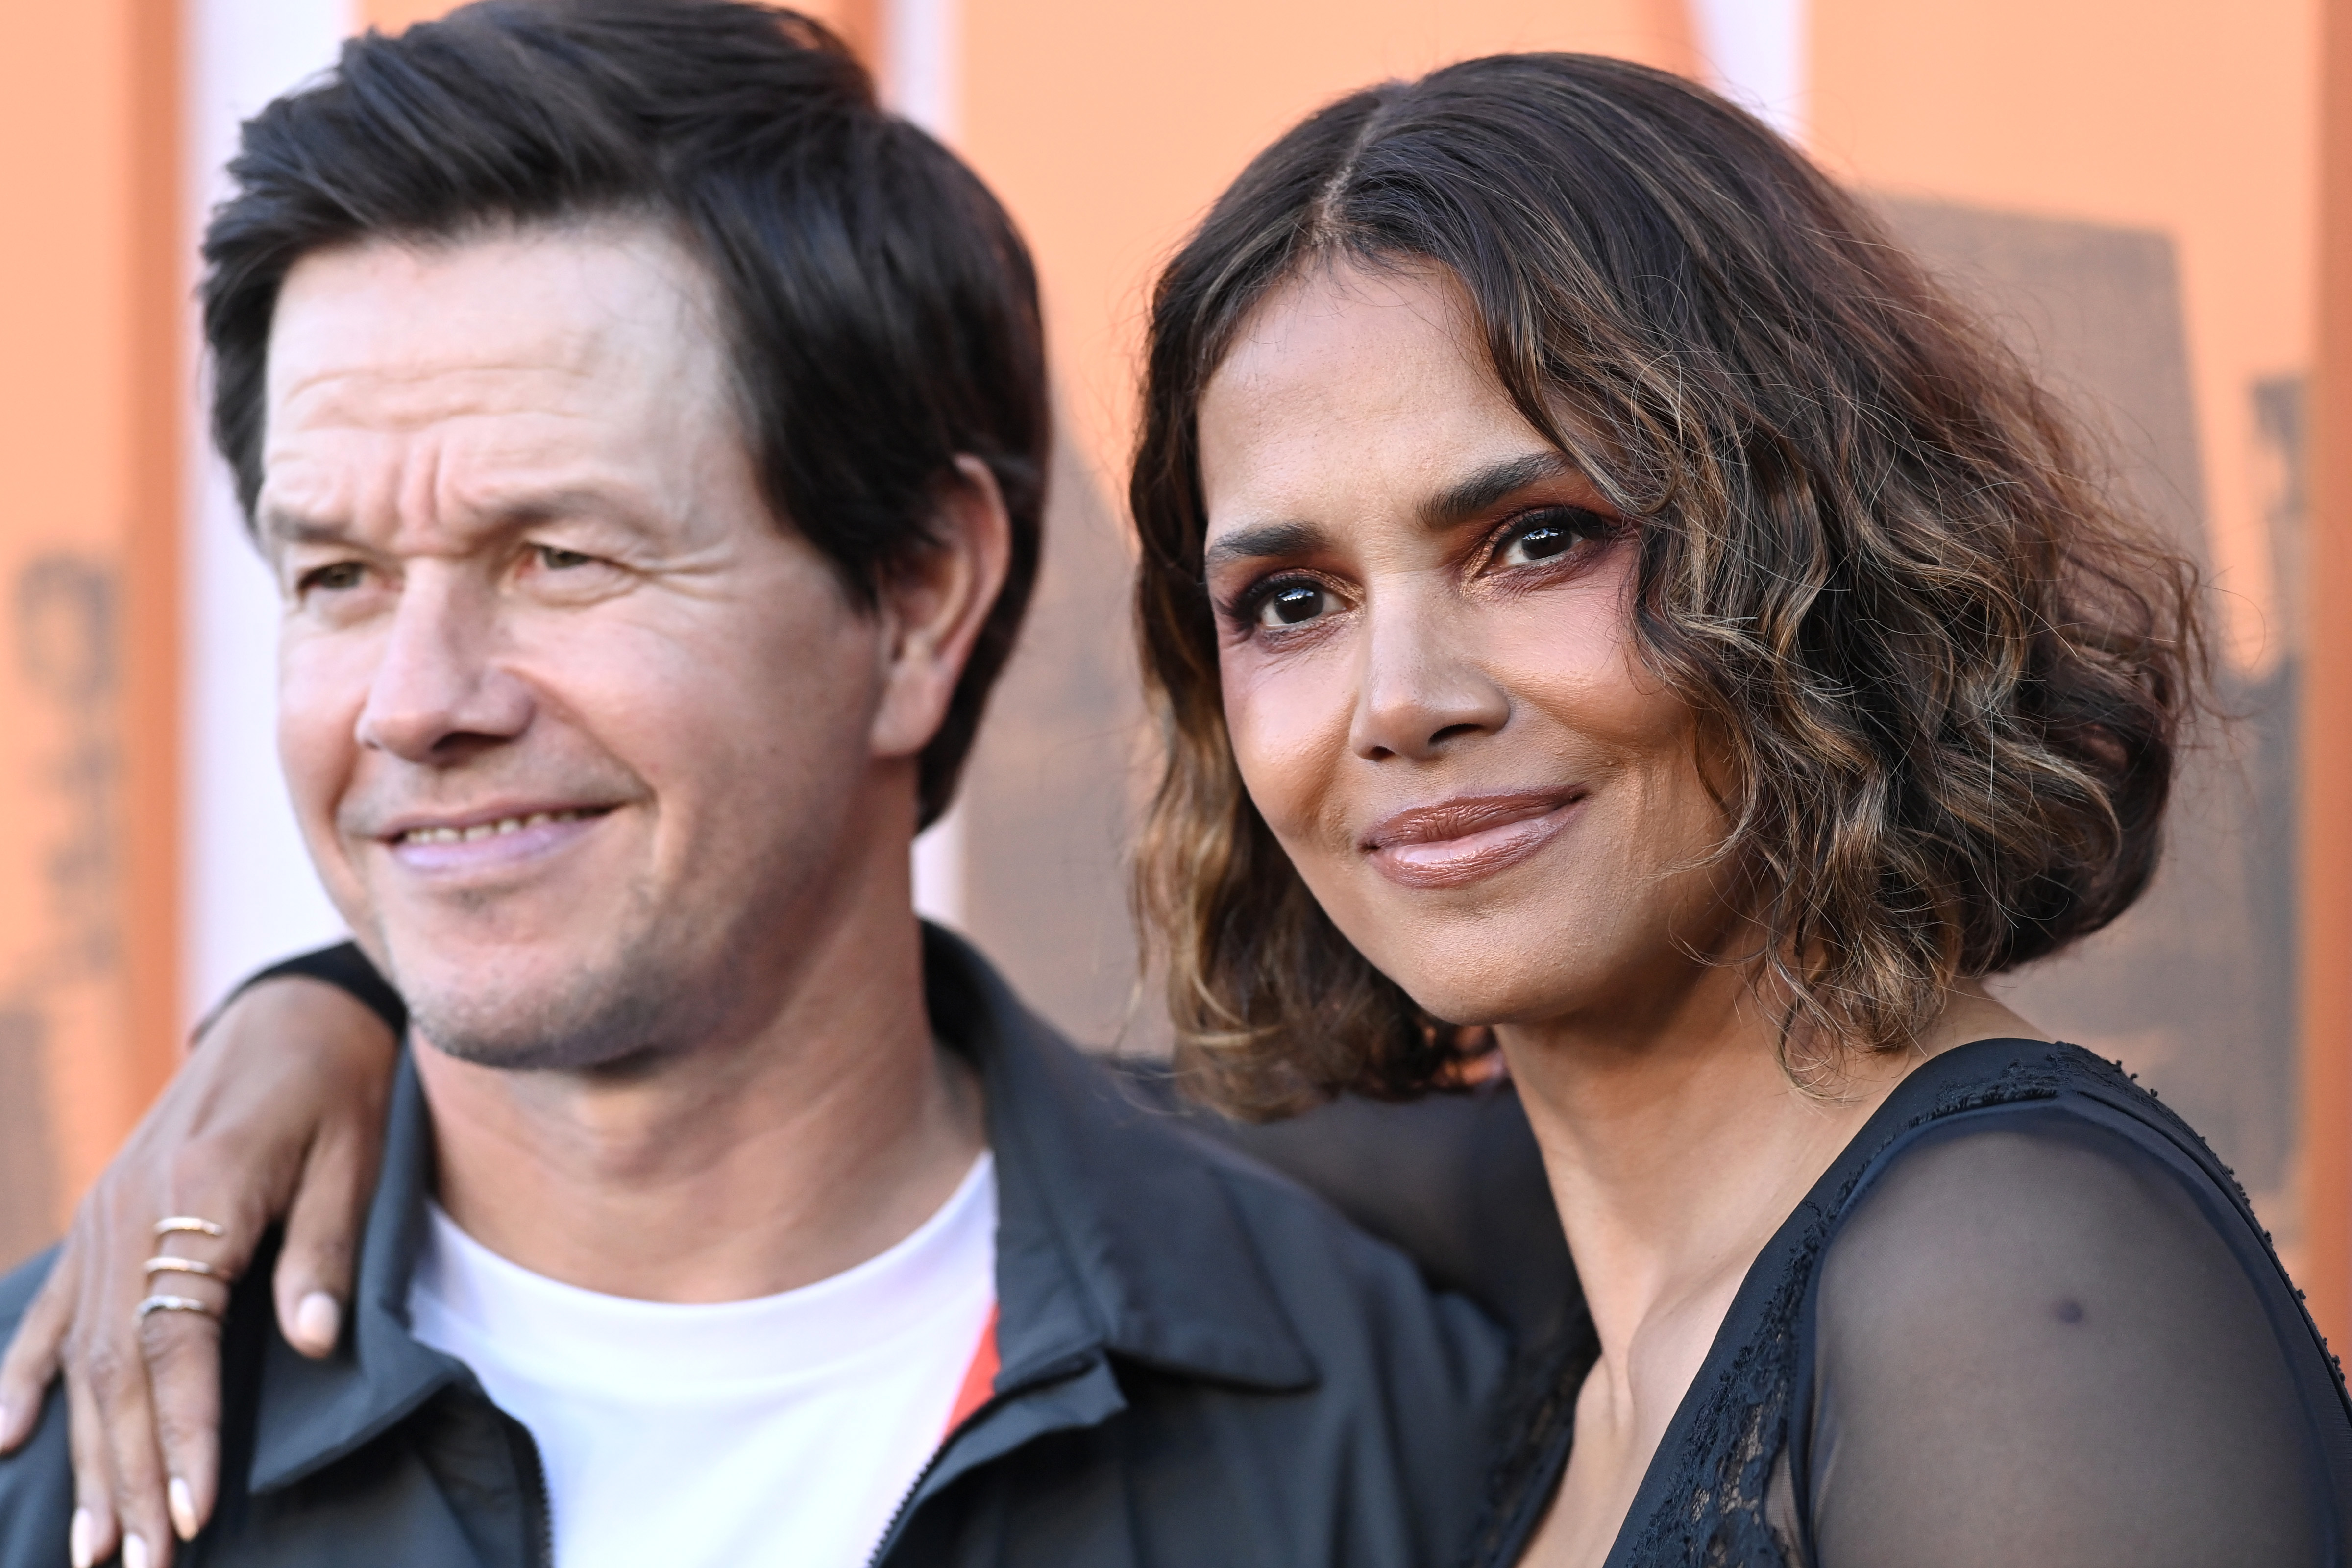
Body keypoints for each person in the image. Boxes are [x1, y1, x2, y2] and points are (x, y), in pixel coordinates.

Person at [18, 39, 2352, 1568]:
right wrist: (323, 1016)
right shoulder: (1504, 1256)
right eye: (1291, 596)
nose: (1402, 699)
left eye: (1539, 534)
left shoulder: (2001, 1268)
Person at [0, 7, 1509, 1568]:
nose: (416, 703)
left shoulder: (1407, 1436)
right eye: (340, 576)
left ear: (922, 597)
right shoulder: (50, 1454)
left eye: (560, 557)